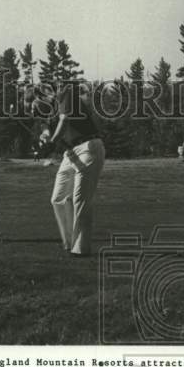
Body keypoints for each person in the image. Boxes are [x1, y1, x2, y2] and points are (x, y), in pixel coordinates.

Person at [35, 83, 105, 257]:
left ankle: (80, 249)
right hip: (70, 152)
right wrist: (45, 136)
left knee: (80, 200)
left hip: (89, 147)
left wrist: (51, 143)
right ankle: (69, 242)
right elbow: (46, 127)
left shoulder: (66, 93)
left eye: (43, 95)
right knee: (58, 198)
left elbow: (64, 120)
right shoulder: (52, 109)